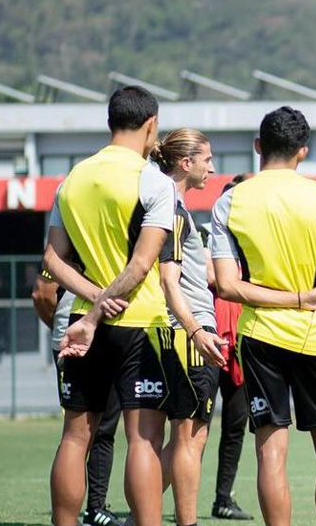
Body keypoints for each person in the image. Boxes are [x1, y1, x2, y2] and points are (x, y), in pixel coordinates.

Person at [210, 106, 316, 526]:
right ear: (303, 152)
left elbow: (226, 286)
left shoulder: (230, 202)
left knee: (270, 450)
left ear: (258, 146)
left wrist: (286, 299)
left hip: (258, 338)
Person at [43, 86, 179, 526]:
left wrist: (93, 303)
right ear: (151, 125)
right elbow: (142, 264)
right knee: (143, 441)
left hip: (83, 322)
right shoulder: (154, 181)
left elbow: (51, 259)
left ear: (109, 122)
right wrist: (106, 305)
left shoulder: (73, 178)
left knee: (74, 436)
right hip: (140, 323)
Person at [152, 128, 230, 526]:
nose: (212, 168)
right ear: (186, 163)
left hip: (190, 332)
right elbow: (169, 280)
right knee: (187, 438)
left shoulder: (173, 207)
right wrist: (198, 331)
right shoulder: (173, 212)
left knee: (190, 438)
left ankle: (142, 515)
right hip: (188, 334)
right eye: (207, 159)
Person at [33, 271, 125, 526]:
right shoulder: (67, 237)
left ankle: (94, 508)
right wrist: (60, 329)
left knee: (97, 428)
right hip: (80, 329)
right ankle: (68, 513)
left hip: (111, 327)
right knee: (79, 432)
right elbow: (42, 293)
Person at [207, 174, 255, 521]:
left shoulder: (256, 243)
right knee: (193, 429)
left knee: (236, 426)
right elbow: (210, 277)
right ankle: (167, 504)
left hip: (244, 345)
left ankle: (223, 498)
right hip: (207, 341)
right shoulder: (209, 237)